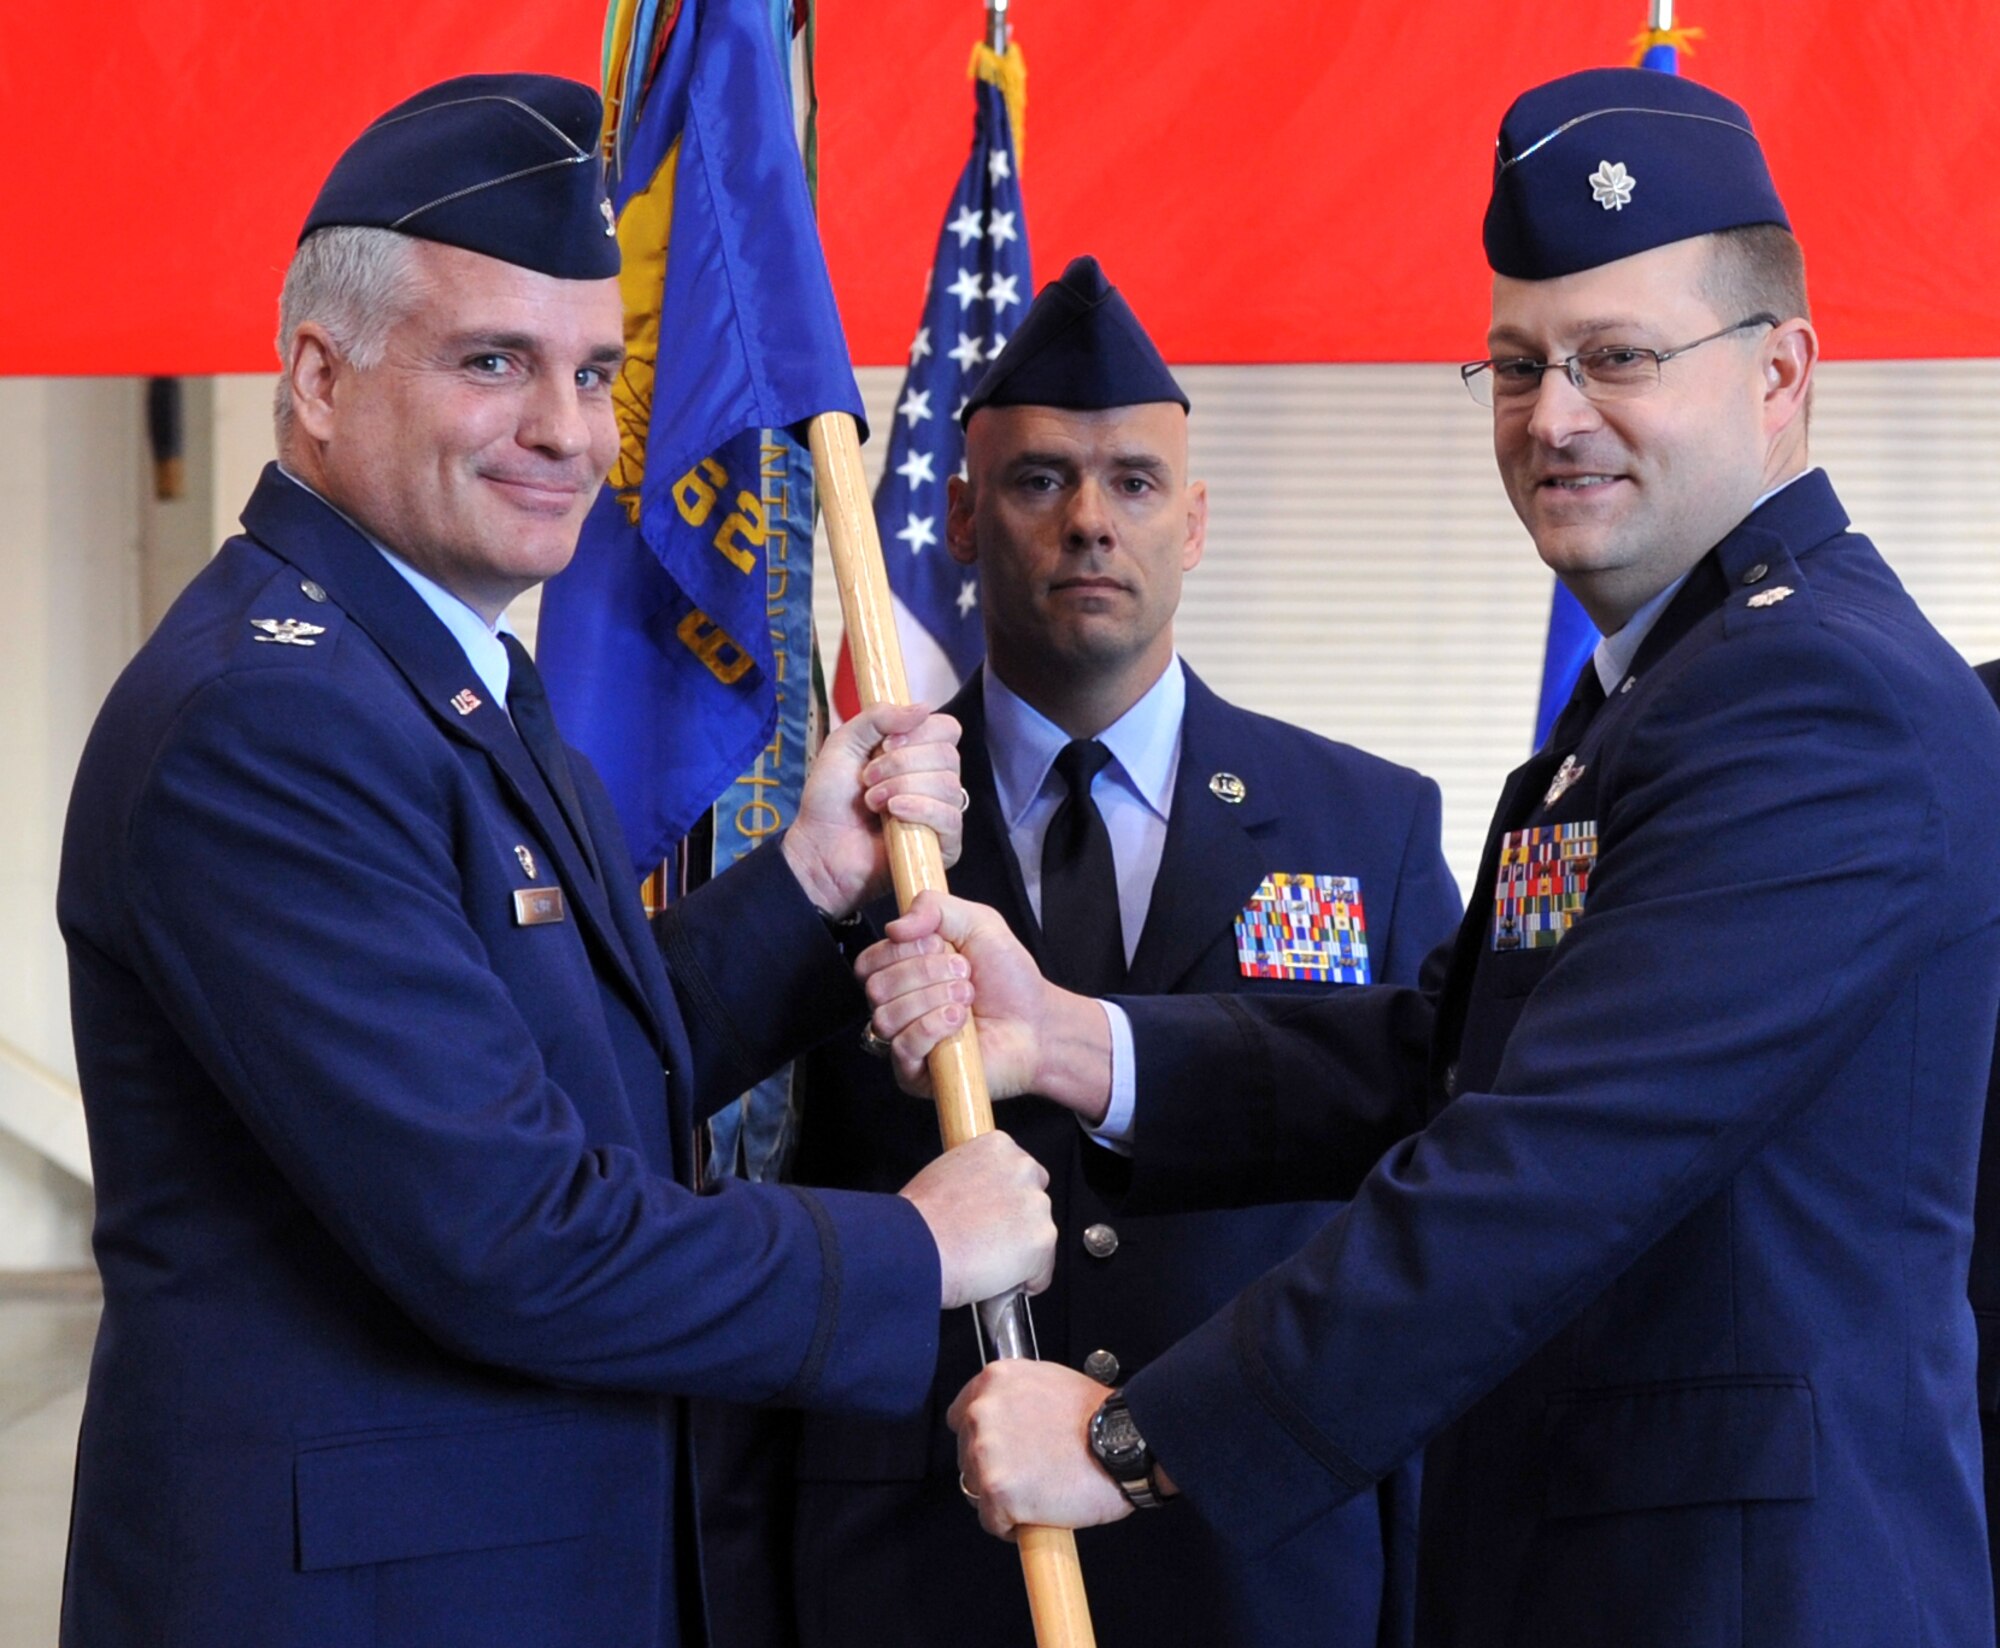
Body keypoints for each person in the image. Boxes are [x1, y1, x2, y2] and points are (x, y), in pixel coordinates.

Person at [868, 68, 2000, 1646]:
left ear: (1784, 374)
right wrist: (1071, 1039)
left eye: (1621, 357)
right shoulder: (1667, 692)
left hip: (1744, 1596)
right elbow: (1446, 1059)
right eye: (1519, 364)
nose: (1555, 417)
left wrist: (1135, 1441)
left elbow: (1547, 1161)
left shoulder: (1817, 700)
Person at [54, 74, 1055, 1648]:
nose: (568, 433)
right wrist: (912, 1251)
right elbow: (509, 1232)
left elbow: (570, 1061)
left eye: (597, 374)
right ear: (317, 374)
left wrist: (807, 874)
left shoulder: (441, 675)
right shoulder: (267, 722)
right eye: (494, 363)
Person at [747, 256, 1459, 1648]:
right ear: (956, 515)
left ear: (1193, 525)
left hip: (1264, 1567)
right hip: (918, 1569)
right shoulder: (849, 838)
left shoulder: (1367, 824)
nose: (1089, 522)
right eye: (1038, 482)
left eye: (1133, 484)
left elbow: (1436, 1198)